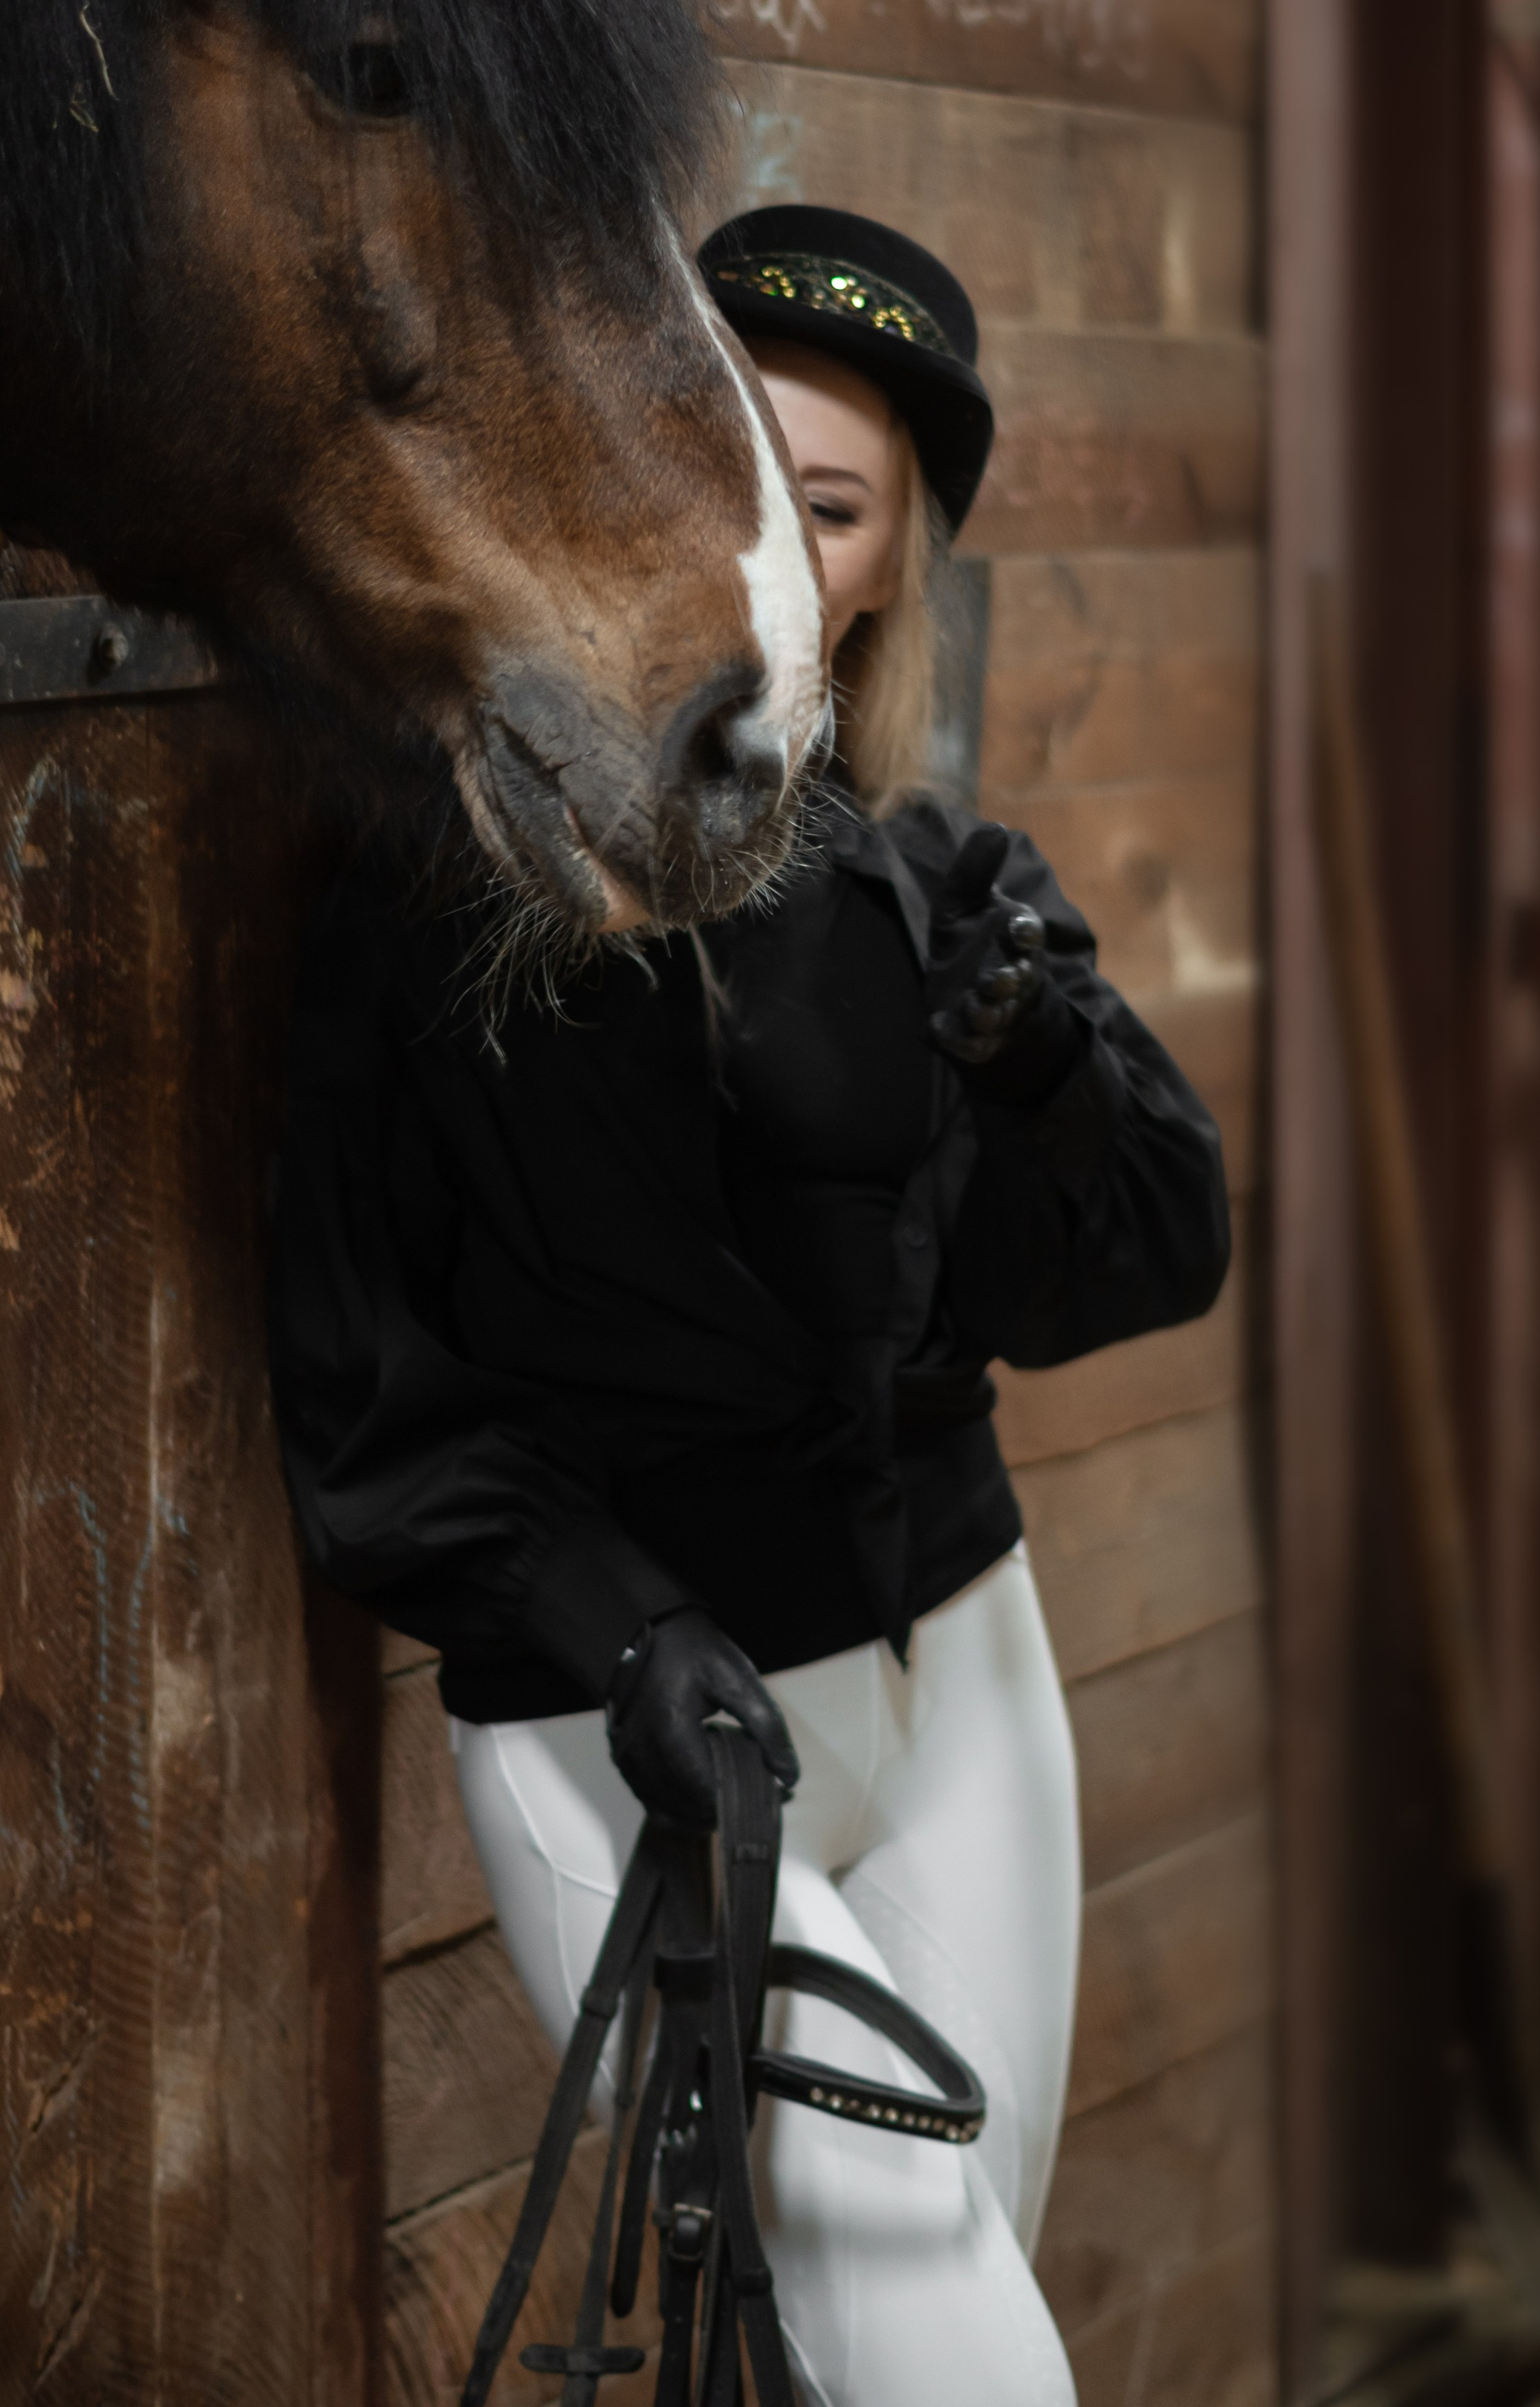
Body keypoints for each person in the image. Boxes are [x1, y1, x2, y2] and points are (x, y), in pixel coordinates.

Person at [269, 204, 1231, 2406]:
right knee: (969, 2367)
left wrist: (1047, 1073)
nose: (772, 547)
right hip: (636, 1729)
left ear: (888, 572)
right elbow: (360, 1385)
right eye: (730, 474)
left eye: (833, 507)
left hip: (966, 1673)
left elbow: (1157, 1249)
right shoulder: (428, 894)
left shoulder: (940, 892)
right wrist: (620, 1628)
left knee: (929, 2317)